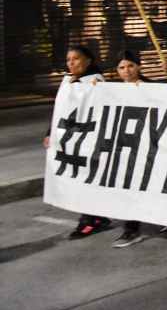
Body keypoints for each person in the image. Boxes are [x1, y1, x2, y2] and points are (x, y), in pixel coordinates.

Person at [44, 46, 110, 238]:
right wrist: (50, 132)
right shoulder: (68, 80)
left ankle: (88, 221)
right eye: (68, 59)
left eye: (76, 58)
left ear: (88, 60)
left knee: (87, 178)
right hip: (70, 137)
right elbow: (61, 109)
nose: (71, 63)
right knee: (77, 177)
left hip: (88, 138)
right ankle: (97, 216)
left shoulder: (97, 82)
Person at [112, 51, 154, 247]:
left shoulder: (153, 88)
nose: (126, 71)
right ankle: (131, 228)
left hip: (148, 147)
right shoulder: (112, 90)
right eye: (121, 67)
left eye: (130, 66)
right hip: (125, 147)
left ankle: (132, 229)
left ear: (139, 66)